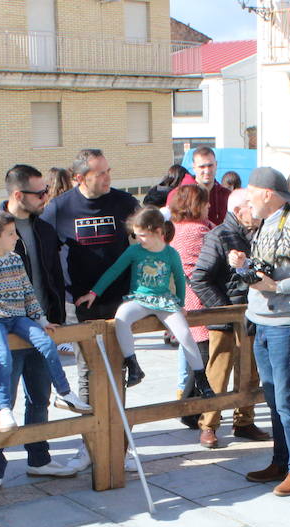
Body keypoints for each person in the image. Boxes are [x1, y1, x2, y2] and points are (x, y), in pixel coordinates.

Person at [0, 165, 77, 498]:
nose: (46, 198)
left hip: (37, 324)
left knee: (38, 399)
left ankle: (39, 459)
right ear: (17, 195)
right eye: (39, 193)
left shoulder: (43, 228)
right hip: (4, 330)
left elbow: (54, 274)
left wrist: (55, 315)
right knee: (0, 403)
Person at [230, 166, 290, 497]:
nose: (247, 198)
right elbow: (264, 273)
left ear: (268, 194)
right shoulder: (267, 225)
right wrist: (243, 267)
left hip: (284, 326)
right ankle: (281, 461)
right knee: (274, 399)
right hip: (262, 322)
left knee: (286, 399)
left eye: (251, 192)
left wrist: (280, 286)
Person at [0, 209, 90, 432]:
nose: (16, 237)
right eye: (11, 234)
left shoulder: (15, 259)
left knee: (47, 344)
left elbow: (28, 292)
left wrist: (42, 320)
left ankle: (64, 393)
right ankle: (4, 408)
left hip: (19, 316)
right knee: (3, 356)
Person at [42, 148, 139, 430]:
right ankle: (90, 444)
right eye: (100, 173)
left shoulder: (124, 202)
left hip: (118, 302)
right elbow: (44, 254)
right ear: (80, 178)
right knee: (87, 372)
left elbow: (150, 239)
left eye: (109, 171)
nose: (108, 177)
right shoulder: (60, 208)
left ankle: (119, 440)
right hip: (79, 304)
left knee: (118, 370)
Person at [75, 207, 213, 397]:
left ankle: (201, 378)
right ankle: (133, 364)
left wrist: (181, 304)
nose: (138, 239)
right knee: (121, 318)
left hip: (164, 300)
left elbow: (180, 279)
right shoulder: (134, 251)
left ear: (158, 232)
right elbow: (114, 270)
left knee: (184, 334)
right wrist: (94, 293)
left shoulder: (171, 253)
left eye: (142, 235)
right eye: (136, 235)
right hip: (139, 298)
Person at [189, 187, 270, 446]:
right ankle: (209, 425)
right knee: (218, 374)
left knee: (250, 372)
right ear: (238, 211)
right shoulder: (219, 236)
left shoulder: (260, 232)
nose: (256, 211)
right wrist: (224, 312)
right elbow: (200, 279)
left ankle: (244, 422)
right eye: (251, 206)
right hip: (226, 317)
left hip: (254, 313)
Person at [167, 183, 213, 438]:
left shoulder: (175, 230)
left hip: (183, 301)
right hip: (199, 301)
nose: (208, 207)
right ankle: (189, 409)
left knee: (195, 357)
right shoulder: (199, 231)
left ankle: (189, 408)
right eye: (205, 203)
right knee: (204, 360)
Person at [169, 146, 232, 226]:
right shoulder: (178, 195)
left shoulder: (227, 196)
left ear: (216, 165)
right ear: (194, 167)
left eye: (210, 165)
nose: (207, 171)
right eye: (202, 167)